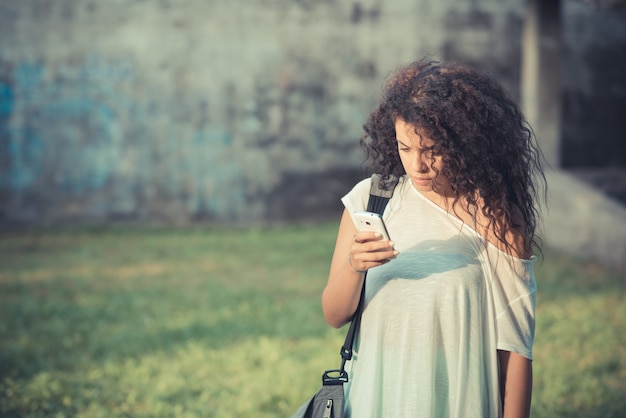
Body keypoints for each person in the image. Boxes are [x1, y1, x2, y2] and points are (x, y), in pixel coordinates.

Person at [321, 58, 546, 418]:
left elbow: (516, 349)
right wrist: (355, 266)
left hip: (460, 401)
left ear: (465, 143)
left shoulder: (495, 218)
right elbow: (334, 315)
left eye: (432, 150)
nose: (418, 165)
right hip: (374, 399)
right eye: (404, 148)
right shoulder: (372, 198)